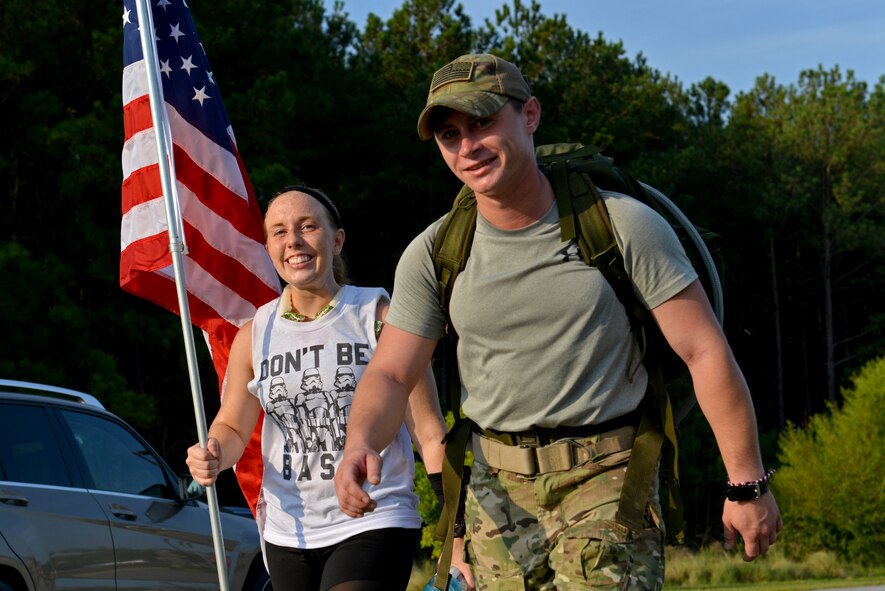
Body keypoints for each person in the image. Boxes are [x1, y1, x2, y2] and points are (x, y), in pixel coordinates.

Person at [334, 54, 783, 590]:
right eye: (450, 134)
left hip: (609, 479)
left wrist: (746, 483)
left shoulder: (621, 224)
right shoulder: (434, 254)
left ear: (530, 115)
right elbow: (390, 373)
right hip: (494, 496)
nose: (467, 146)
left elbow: (704, 350)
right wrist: (360, 441)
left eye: (482, 122)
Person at [186, 185, 449, 591]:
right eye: (279, 231)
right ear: (269, 245)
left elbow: (430, 432)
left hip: (374, 516)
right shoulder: (254, 334)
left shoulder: (379, 315)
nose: (293, 240)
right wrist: (214, 452)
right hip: (288, 530)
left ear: (337, 239)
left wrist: (458, 524)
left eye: (307, 226)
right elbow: (234, 428)